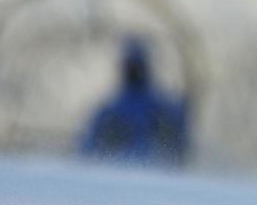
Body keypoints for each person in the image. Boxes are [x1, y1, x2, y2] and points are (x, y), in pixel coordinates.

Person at [79, 36, 189, 166]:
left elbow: (179, 147)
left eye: (137, 67)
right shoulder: (110, 112)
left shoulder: (162, 109)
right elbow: (87, 153)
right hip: (123, 173)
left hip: (151, 173)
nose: (135, 72)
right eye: (133, 67)